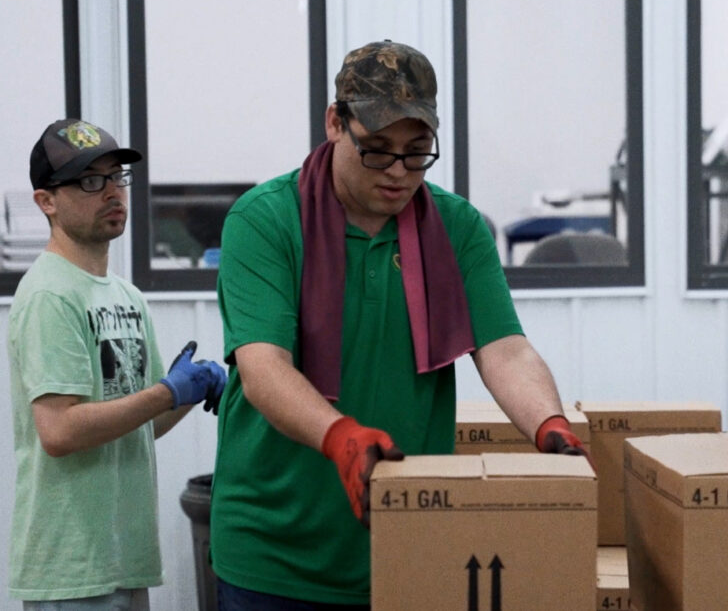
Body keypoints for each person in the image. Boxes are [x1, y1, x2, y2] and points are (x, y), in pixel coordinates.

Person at [211, 40, 588, 609]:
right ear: (335, 123)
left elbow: (504, 350)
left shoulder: (457, 228)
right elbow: (264, 368)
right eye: (377, 150)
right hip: (274, 558)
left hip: (408, 542)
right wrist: (340, 437)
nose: (397, 172)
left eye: (416, 152)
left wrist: (548, 424)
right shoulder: (265, 222)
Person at [6, 119, 228, 609]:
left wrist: (189, 393)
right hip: (72, 569)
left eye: (115, 177)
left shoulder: (126, 295)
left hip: (123, 560)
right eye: (89, 181)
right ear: (47, 201)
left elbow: (139, 426)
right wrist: (167, 392)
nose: (110, 192)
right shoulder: (49, 293)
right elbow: (60, 431)